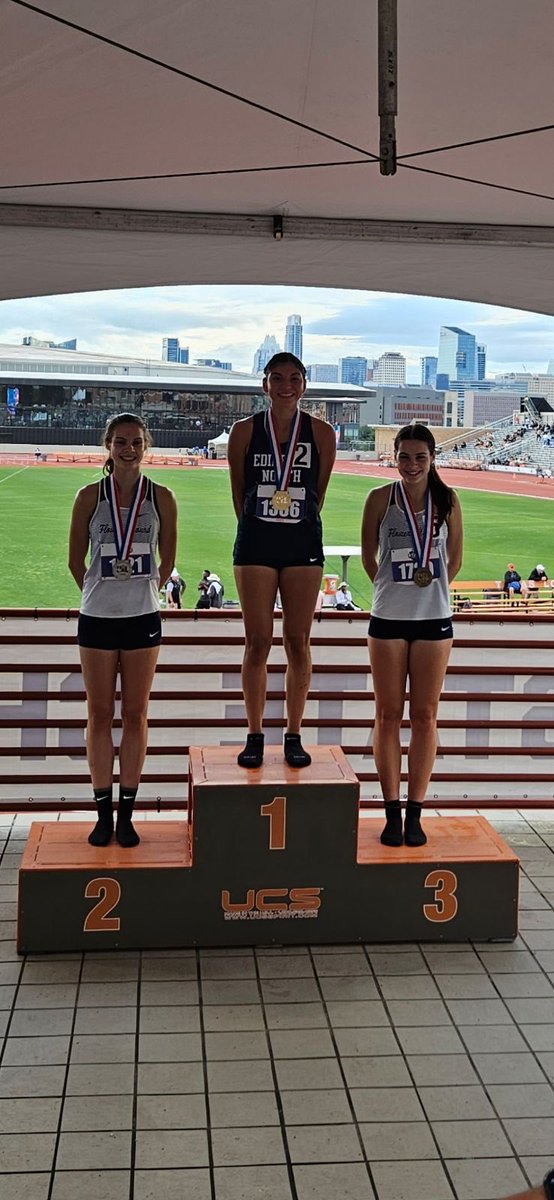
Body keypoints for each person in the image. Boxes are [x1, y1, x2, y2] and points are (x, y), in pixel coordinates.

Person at [68, 412, 177, 847]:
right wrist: (99, 593)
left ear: (146, 445)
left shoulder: (162, 497)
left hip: (142, 618)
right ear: (107, 446)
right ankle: (101, 811)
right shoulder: (88, 496)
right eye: (119, 442)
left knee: (134, 715)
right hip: (96, 617)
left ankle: (127, 812)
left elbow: (167, 561)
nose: (128, 449)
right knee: (98, 715)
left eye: (135, 442)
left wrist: (141, 592)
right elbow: (76, 561)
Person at [228, 351, 336, 769]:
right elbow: (238, 493)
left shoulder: (323, 433)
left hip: (302, 544)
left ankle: (293, 733)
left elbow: (318, 494)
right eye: (277, 378)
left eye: (294, 378)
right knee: (257, 642)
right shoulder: (243, 431)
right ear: (265, 385)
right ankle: (254, 733)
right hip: (255, 541)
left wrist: (291, 518)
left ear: (304, 385)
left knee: (298, 642)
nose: (285, 385)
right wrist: (263, 522)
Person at [361, 422, 463, 847]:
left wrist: (429, 590)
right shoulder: (379, 499)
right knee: (387, 715)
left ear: (432, 458)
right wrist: (392, 589)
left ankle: (416, 810)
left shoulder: (448, 500)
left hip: (434, 620)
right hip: (388, 619)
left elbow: (454, 559)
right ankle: (390, 810)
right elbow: (369, 557)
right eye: (405, 456)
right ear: (395, 457)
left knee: (424, 716)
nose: (412, 464)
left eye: (420, 457)